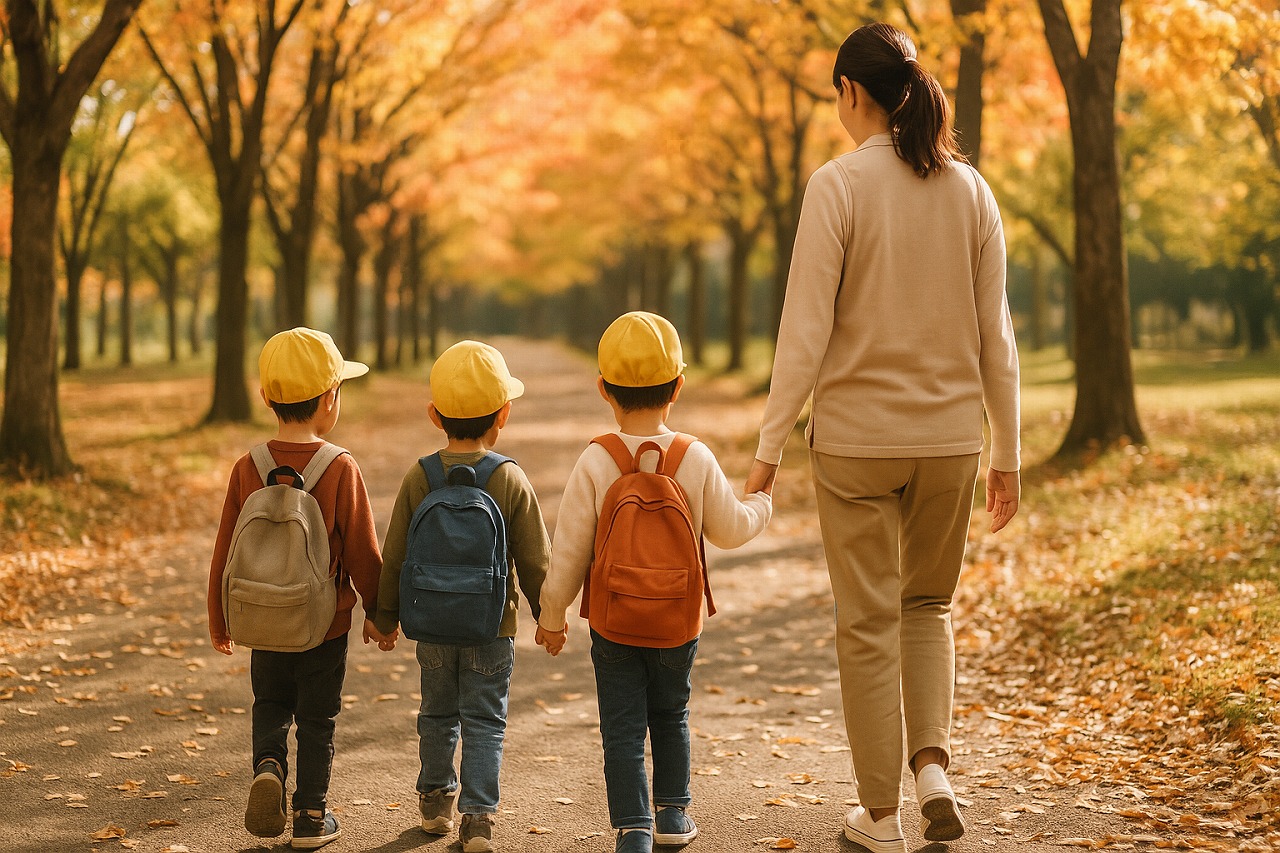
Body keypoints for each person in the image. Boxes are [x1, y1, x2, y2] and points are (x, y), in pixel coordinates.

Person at [744, 22, 1022, 853]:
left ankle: (879, 813)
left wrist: (768, 450)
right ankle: (932, 765)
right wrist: (1004, 451)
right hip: (949, 442)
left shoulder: (837, 186)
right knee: (927, 605)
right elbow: (995, 337)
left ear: (851, 93)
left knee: (866, 620)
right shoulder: (972, 191)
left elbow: (804, 332)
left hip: (858, 443)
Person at [536, 312, 773, 853]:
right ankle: (672, 814)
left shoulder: (598, 458)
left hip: (615, 624)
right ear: (679, 386)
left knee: (621, 727)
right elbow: (732, 530)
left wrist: (553, 620)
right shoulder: (695, 456)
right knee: (671, 713)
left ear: (603, 389)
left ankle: (634, 828)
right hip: (676, 623)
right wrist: (762, 505)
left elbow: (568, 552)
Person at [207, 327, 389, 850]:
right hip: (321, 623)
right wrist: (380, 612)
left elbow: (225, 551)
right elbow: (361, 552)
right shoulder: (338, 467)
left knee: (270, 703)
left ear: (266, 398)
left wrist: (221, 620)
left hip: (263, 618)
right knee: (317, 717)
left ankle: (268, 766)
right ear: (330, 400)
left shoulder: (249, 466)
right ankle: (311, 816)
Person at [373, 340, 551, 853]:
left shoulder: (420, 476)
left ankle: (434, 804)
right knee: (485, 720)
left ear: (434, 415)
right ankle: (478, 818)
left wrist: (385, 617)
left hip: (430, 625)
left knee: (436, 713)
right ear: (505, 415)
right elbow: (536, 558)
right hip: (492, 626)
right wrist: (548, 616)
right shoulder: (509, 477)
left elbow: (395, 552)